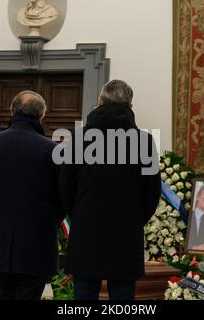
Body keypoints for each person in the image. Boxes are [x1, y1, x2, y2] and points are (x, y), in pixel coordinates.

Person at [59, 79, 161, 300]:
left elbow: (65, 188)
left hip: (86, 233)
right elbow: (153, 193)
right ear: (130, 106)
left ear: (100, 102)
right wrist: (134, 219)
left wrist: (80, 216)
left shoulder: (79, 139)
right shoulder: (144, 142)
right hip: (125, 234)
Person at [0, 90, 63, 300]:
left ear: (12, 112)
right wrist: (48, 221)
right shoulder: (53, 151)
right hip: (36, 246)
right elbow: (62, 201)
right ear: (42, 116)